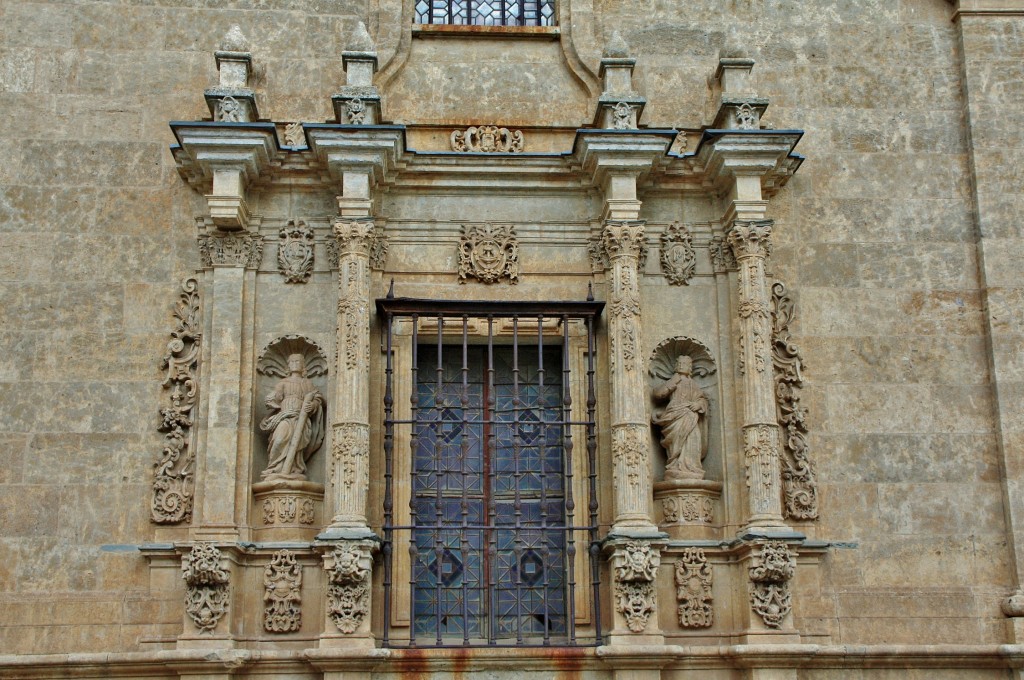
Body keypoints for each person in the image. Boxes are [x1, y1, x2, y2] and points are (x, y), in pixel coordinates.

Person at [260, 353, 325, 480]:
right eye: (292, 361)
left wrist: (313, 405)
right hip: (285, 417)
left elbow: (318, 398)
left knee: (297, 444)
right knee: (279, 440)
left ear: (303, 366)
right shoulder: (282, 383)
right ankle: (275, 468)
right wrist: (272, 400)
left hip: (301, 418)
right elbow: (275, 397)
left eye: (298, 361)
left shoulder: (307, 383)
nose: (295, 363)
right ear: (288, 366)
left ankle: (294, 467)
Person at [651, 355, 709, 481]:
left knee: (693, 440)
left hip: (691, 418)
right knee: (677, 442)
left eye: (687, 364)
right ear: (677, 366)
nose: (684, 366)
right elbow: (658, 394)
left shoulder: (693, 384)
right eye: (681, 363)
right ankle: (676, 466)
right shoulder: (673, 381)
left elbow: (702, 400)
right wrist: (673, 382)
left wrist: (698, 404)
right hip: (675, 417)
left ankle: (691, 467)